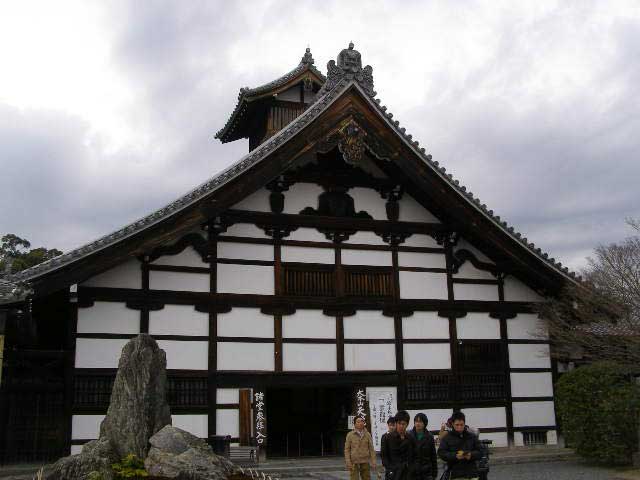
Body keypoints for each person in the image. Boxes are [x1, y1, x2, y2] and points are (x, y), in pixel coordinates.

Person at [437, 412, 482, 480]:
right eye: (457, 425)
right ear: (452, 424)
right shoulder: (447, 438)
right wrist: (455, 456)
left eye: (461, 425)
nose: (459, 427)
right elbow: (441, 453)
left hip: (472, 474)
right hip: (455, 474)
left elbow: (481, 451)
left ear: (464, 423)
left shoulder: (472, 436)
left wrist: (471, 455)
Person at [385, 410, 416, 480]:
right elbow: (384, 456)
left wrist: (412, 468)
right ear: (395, 423)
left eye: (403, 424)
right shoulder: (387, 437)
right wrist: (390, 469)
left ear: (407, 424)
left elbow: (414, 455)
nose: (401, 426)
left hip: (408, 473)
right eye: (399, 423)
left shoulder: (411, 438)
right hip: (394, 473)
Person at [408, 413, 437, 480]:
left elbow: (433, 456)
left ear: (425, 423)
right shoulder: (409, 436)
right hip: (413, 473)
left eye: (420, 421)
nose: (418, 424)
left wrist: (434, 474)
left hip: (427, 472)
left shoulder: (429, 436)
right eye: (416, 421)